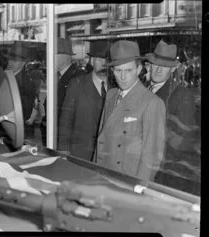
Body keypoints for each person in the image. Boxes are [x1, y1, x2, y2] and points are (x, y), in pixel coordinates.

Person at [93, 40, 166, 182]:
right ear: (112, 71)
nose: (123, 77)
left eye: (128, 70)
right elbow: (101, 139)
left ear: (138, 70)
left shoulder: (152, 102)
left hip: (127, 179)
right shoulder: (111, 95)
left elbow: (152, 156)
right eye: (119, 71)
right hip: (103, 175)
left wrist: (138, 188)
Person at [145, 40, 200, 193]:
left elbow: (182, 142)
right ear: (150, 64)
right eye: (156, 64)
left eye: (164, 66)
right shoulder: (143, 89)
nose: (158, 70)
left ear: (173, 69)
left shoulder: (181, 95)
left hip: (163, 172)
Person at [57, 41, 110, 161]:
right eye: (99, 60)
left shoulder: (116, 88)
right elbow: (66, 120)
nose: (104, 64)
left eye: (107, 60)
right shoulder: (77, 84)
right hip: (80, 154)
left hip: (107, 157)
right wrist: (64, 151)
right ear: (91, 61)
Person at [40, 38, 82, 146]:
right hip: (53, 134)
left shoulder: (77, 77)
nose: (49, 58)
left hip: (62, 137)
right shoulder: (58, 76)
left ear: (65, 55)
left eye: (53, 54)